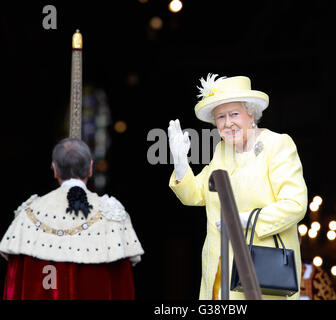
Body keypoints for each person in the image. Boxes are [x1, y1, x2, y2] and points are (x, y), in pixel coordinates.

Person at [168, 74, 308, 300]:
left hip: (259, 275)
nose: (227, 123)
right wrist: (181, 164)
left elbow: (295, 204)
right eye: (220, 117)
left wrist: (244, 220)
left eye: (234, 114)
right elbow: (195, 195)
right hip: (218, 275)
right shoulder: (222, 151)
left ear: (251, 113)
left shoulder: (277, 145)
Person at [0, 138, 144, 299]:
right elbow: (123, 288)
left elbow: (13, 286)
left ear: (55, 169)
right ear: (90, 167)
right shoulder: (114, 215)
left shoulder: (27, 214)